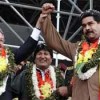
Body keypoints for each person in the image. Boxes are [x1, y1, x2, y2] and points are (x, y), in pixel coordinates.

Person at [35, 3, 100, 100]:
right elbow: (54, 41)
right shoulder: (77, 49)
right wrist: (46, 16)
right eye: (84, 25)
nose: (87, 28)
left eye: (90, 23)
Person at [0, 20, 42, 100]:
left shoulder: (9, 57)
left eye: (1, 40)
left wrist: (38, 26)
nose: (0, 43)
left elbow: (26, 49)